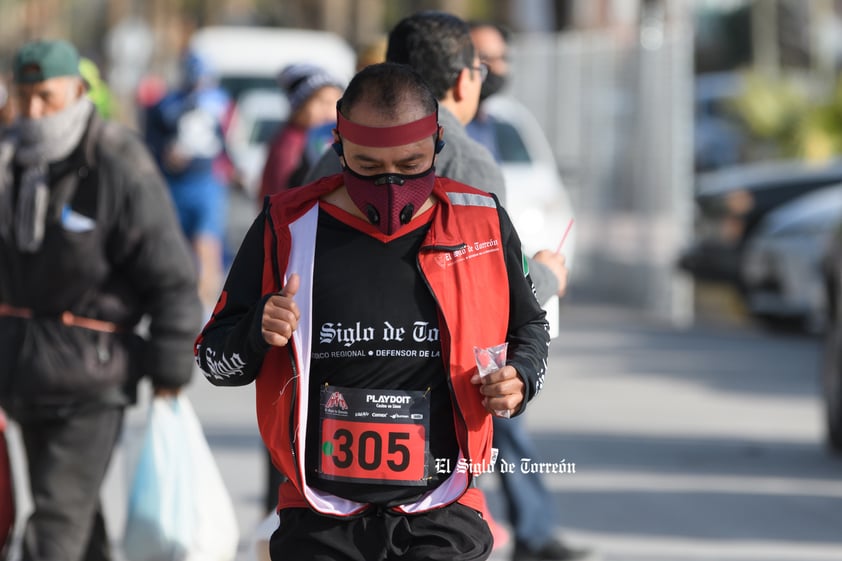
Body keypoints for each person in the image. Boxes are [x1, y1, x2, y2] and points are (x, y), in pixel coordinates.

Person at [196, 61, 550, 561]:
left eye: (410, 166)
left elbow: (530, 324)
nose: (390, 184)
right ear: (338, 145)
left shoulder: (481, 221)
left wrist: (522, 377)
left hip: (442, 510)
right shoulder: (286, 224)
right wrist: (257, 331)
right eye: (366, 167)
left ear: (437, 142)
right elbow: (213, 359)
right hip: (318, 516)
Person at [0, 39, 201, 561]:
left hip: (93, 376)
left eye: (46, 96)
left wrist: (171, 369)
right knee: (75, 518)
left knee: (54, 524)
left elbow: (172, 273)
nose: (34, 111)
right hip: (22, 370)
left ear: (79, 90)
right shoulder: (11, 160)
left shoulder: (117, 160)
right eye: (24, 99)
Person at [305, 11, 567, 308]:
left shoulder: (342, 150)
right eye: (478, 71)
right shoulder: (467, 161)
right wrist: (548, 274)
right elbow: (493, 279)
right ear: (462, 81)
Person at [467, 21, 589, 561]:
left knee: (509, 416)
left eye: (503, 59)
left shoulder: (493, 126)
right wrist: (537, 280)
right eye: (485, 60)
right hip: (471, 306)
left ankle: (533, 531)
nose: (497, 70)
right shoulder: (453, 144)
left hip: (499, 300)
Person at [144, 50, 231, 312]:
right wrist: (165, 154)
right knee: (176, 245)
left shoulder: (220, 103)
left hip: (206, 183)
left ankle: (208, 307)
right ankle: (179, 303)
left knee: (207, 243)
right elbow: (151, 142)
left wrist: (232, 168)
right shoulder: (165, 104)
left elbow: (226, 143)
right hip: (175, 185)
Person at [259, 63, 343, 199]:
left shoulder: (326, 138)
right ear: (299, 106)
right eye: (322, 102)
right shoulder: (290, 142)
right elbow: (279, 191)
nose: (329, 110)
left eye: (335, 102)